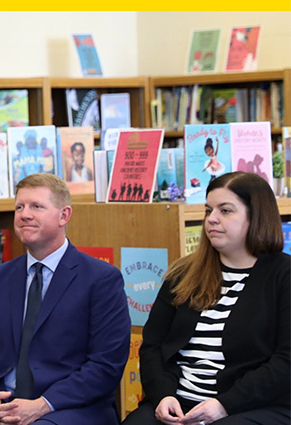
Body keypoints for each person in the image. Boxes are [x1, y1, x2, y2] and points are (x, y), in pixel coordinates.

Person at [0, 173, 130, 425]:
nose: (25, 214)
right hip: (3, 406)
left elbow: (105, 365)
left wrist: (41, 405)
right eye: (19, 207)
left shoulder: (101, 279)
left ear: (64, 215)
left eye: (37, 206)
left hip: (69, 407)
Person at [122, 171, 290, 425]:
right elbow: (152, 346)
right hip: (179, 403)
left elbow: (286, 361)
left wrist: (225, 404)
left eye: (225, 211)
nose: (211, 219)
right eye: (208, 210)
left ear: (256, 216)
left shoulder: (283, 275)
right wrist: (162, 396)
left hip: (254, 405)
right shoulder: (184, 273)